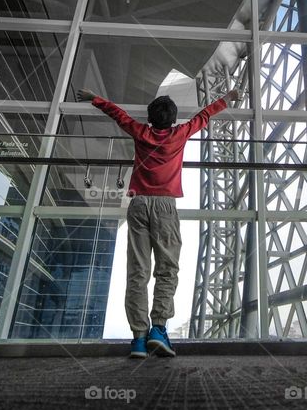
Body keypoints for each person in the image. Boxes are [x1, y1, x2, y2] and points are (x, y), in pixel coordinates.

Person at [76, 86, 239, 358]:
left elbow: (118, 114)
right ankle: (158, 330)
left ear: (150, 119)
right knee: (167, 269)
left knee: (138, 271)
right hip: (165, 205)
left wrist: (95, 98)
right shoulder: (180, 134)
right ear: (173, 120)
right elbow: (206, 114)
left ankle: (138, 338)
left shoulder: (140, 132)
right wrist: (229, 98)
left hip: (138, 203)